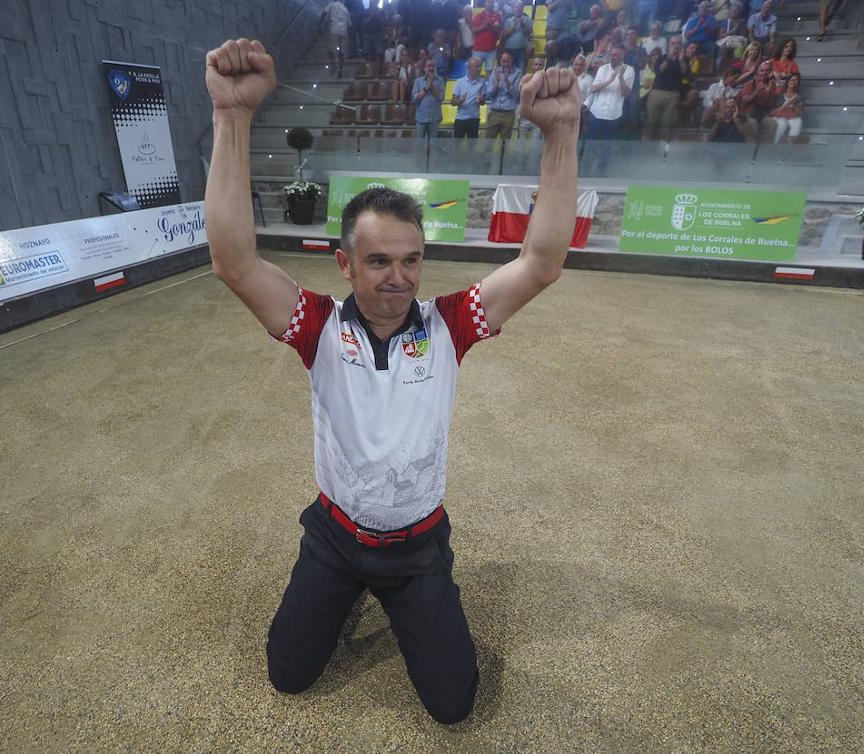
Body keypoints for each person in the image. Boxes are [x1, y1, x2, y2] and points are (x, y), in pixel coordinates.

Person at [202, 35, 581, 726]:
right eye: (378, 261)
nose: (398, 277)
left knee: (452, 705)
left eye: (410, 260)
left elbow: (542, 261)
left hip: (417, 544)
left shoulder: (449, 323)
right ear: (345, 265)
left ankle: (409, 596)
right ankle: (341, 590)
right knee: (288, 676)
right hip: (336, 538)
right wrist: (232, 116)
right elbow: (233, 259)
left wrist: (562, 132)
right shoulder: (314, 326)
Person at [587, 44, 633, 167]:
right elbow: (593, 89)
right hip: (596, 112)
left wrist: (621, 78)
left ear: (622, 55)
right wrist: (610, 80)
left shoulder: (629, 70)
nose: (612, 57)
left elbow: (625, 93)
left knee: (606, 146)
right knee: (590, 143)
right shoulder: (603, 69)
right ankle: (586, 168)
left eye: (615, 54)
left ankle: (602, 170)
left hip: (613, 114)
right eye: (611, 54)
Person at [737, 59, 779, 142]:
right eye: (762, 70)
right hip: (748, 114)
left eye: (767, 70)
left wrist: (768, 92)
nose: (764, 73)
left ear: (770, 72)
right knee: (753, 124)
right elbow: (745, 102)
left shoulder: (772, 85)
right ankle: (753, 148)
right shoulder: (749, 84)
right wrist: (756, 91)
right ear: (757, 72)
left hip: (762, 114)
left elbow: (770, 105)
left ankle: (765, 148)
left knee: (772, 124)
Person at [486, 50, 523, 138]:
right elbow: (488, 95)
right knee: (488, 141)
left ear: (512, 60)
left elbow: (515, 95)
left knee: (504, 144)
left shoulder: (518, 73)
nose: (505, 64)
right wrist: (496, 85)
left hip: (508, 114)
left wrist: (507, 81)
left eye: (508, 61)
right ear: (500, 60)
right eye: (503, 61)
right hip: (494, 112)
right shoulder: (495, 73)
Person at [452, 56, 487, 138]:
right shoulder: (459, 82)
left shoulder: (482, 82)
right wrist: (460, 101)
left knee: (472, 146)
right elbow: (452, 102)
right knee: (457, 145)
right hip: (461, 119)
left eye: (480, 66)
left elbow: (483, 102)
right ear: (470, 68)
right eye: (477, 66)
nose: (480, 69)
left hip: (474, 119)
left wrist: (481, 100)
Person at [412, 60, 445, 138]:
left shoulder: (440, 80)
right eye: (429, 66)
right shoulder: (418, 81)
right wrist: (426, 87)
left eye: (433, 66)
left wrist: (432, 85)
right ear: (424, 68)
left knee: (433, 145)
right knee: (420, 145)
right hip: (421, 118)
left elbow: (440, 98)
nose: (431, 68)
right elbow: (415, 99)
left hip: (435, 118)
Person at [471, 0, 504, 72]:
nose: (490, 3)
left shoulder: (497, 16)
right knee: (475, 71)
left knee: (489, 72)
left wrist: (491, 26)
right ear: (485, 3)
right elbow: (473, 31)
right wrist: (484, 26)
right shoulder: (478, 16)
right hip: (478, 49)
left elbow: (499, 31)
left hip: (491, 50)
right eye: (489, 1)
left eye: (492, 2)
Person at [517, 54, 547, 138]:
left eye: (540, 65)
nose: (538, 67)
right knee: (520, 148)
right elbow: (521, 95)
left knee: (535, 148)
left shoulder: (546, 80)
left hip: (538, 118)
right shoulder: (525, 78)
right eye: (536, 64)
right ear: (532, 65)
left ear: (543, 66)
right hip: (525, 117)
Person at [502, 0, 534, 70]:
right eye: (516, 7)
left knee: (520, 70)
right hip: (509, 50)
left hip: (521, 50)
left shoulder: (527, 19)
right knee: (508, 69)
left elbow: (529, 33)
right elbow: (505, 35)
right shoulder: (508, 20)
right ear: (513, 8)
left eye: (520, 7)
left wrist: (522, 24)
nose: (518, 9)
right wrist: (514, 24)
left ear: (522, 8)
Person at [321, 0, 351, 78]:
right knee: (342, 52)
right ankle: (340, 71)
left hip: (334, 30)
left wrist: (321, 23)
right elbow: (349, 24)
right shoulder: (346, 9)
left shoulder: (332, 4)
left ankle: (334, 64)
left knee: (330, 50)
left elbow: (324, 12)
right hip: (344, 31)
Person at [771, 72, 803, 143]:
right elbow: (772, 112)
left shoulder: (798, 96)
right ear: (788, 81)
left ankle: (791, 144)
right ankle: (775, 144)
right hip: (779, 116)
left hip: (792, 116)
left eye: (795, 80)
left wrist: (795, 104)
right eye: (791, 80)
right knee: (782, 123)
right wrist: (784, 105)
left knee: (798, 121)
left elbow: (800, 113)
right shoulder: (780, 94)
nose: (793, 82)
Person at [572, 52, 594, 153]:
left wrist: (583, 106)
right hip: (564, 111)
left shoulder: (589, 79)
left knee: (576, 138)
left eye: (581, 65)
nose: (578, 67)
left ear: (585, 66)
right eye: (576, 64)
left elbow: (590, 96)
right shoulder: (565, 76)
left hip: (580, 113)